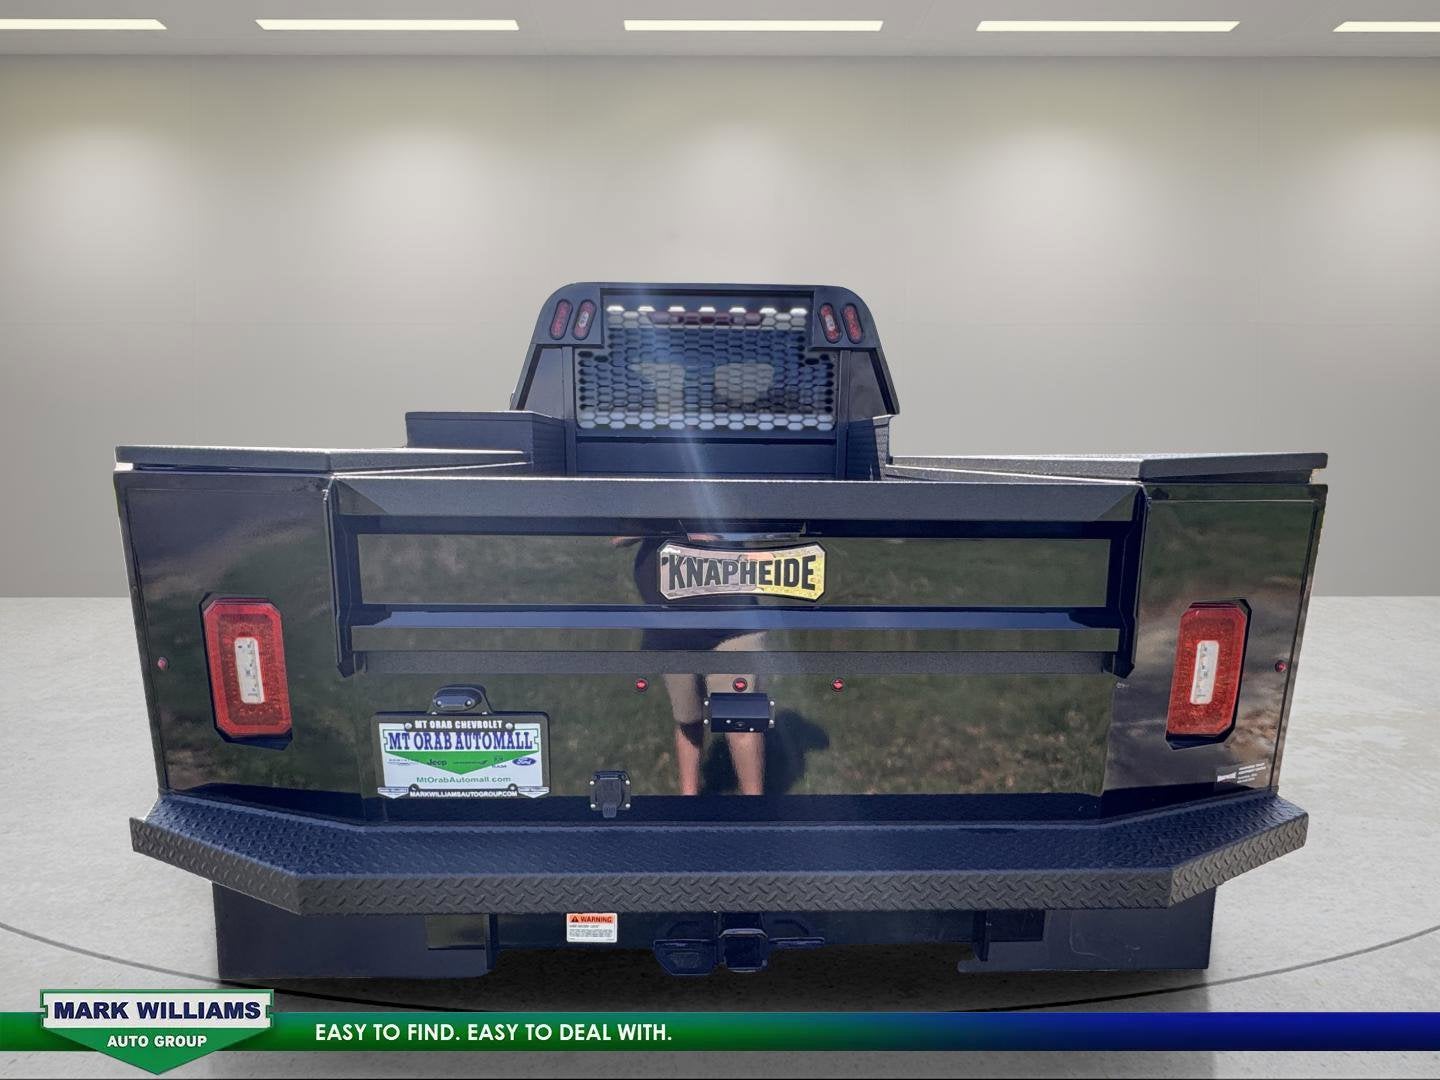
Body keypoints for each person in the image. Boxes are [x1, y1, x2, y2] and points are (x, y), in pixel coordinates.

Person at [616, 535, 767, 796]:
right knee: (687, 719)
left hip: (733, 623)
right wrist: (670, 525)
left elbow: (756, 526)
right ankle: (688, 802)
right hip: (670, 627)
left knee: (741, 722)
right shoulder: (648, 507)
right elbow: (618, 537)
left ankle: (756, 809)